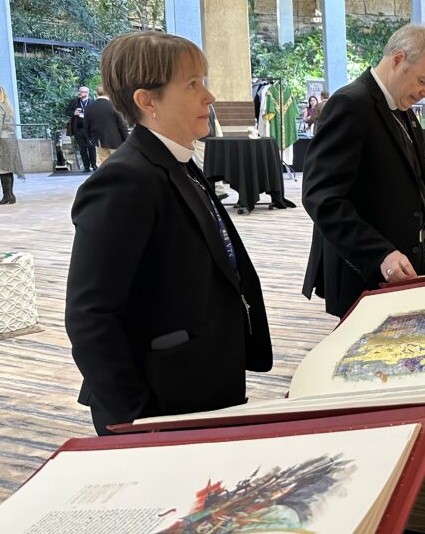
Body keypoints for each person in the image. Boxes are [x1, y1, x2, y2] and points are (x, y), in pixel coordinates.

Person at [65, 32, 273, 435]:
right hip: (160, 402)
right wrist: (137, 418)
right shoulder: (126, 179)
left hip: (200, 381)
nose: (209, 96)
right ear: (148, 101)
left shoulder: (176, 161)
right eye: (193, 85)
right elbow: (90, 316)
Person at [302, 24, 425, 318]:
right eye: (423, 81)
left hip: (401, 269)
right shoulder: (350, 104)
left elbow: (412, 187)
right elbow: (322, 198)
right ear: (397, 59)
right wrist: (380, 254)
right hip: (365, 272)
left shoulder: (404, 111)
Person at [83, 85, 129, 165]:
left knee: (103, 164)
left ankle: (107, 177)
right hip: (116, 140)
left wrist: (90, 139)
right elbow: (122, 124)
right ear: (109, 93)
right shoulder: (115, 106)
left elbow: (86, 126)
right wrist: (126, 138)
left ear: (96, 93)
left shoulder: (89, 107)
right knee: (118, 163)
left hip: (99, 140)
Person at [0, 86, 24, 205]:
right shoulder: (7, 107)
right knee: (7, 169)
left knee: (2, 169)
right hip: (10, 140)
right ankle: (10, 196)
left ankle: (7, 196)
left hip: (2, 141)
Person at [67, 85, 97, 172]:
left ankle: (94, 165)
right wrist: (74, 113)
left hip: (90, 130)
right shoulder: (74, 102)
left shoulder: (93, 102)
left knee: (92, 147)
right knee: (82, 148)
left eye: (82, 91)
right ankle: (86, 167)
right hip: (78, 129)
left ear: (87, 93)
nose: (79, 93)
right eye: (79, 91)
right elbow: (67, 111)